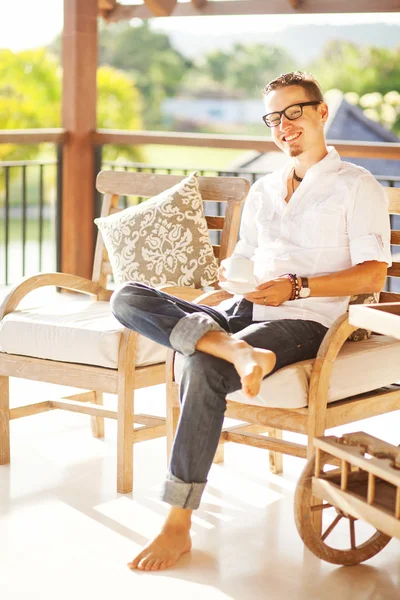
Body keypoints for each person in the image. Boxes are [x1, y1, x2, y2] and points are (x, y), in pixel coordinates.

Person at [110, 71, 392, 571]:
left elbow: (373, 272)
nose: (283, 127)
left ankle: (177, 524)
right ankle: (233, 349)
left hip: (307, 318)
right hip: (242, 309)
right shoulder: (263, 189)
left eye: (293, 113)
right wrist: (225, 283)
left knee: (198, 366)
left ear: (321, 113)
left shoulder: (357, 186)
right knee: (127, 296)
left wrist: (298, 287)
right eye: (273, 119)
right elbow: (244, 259)